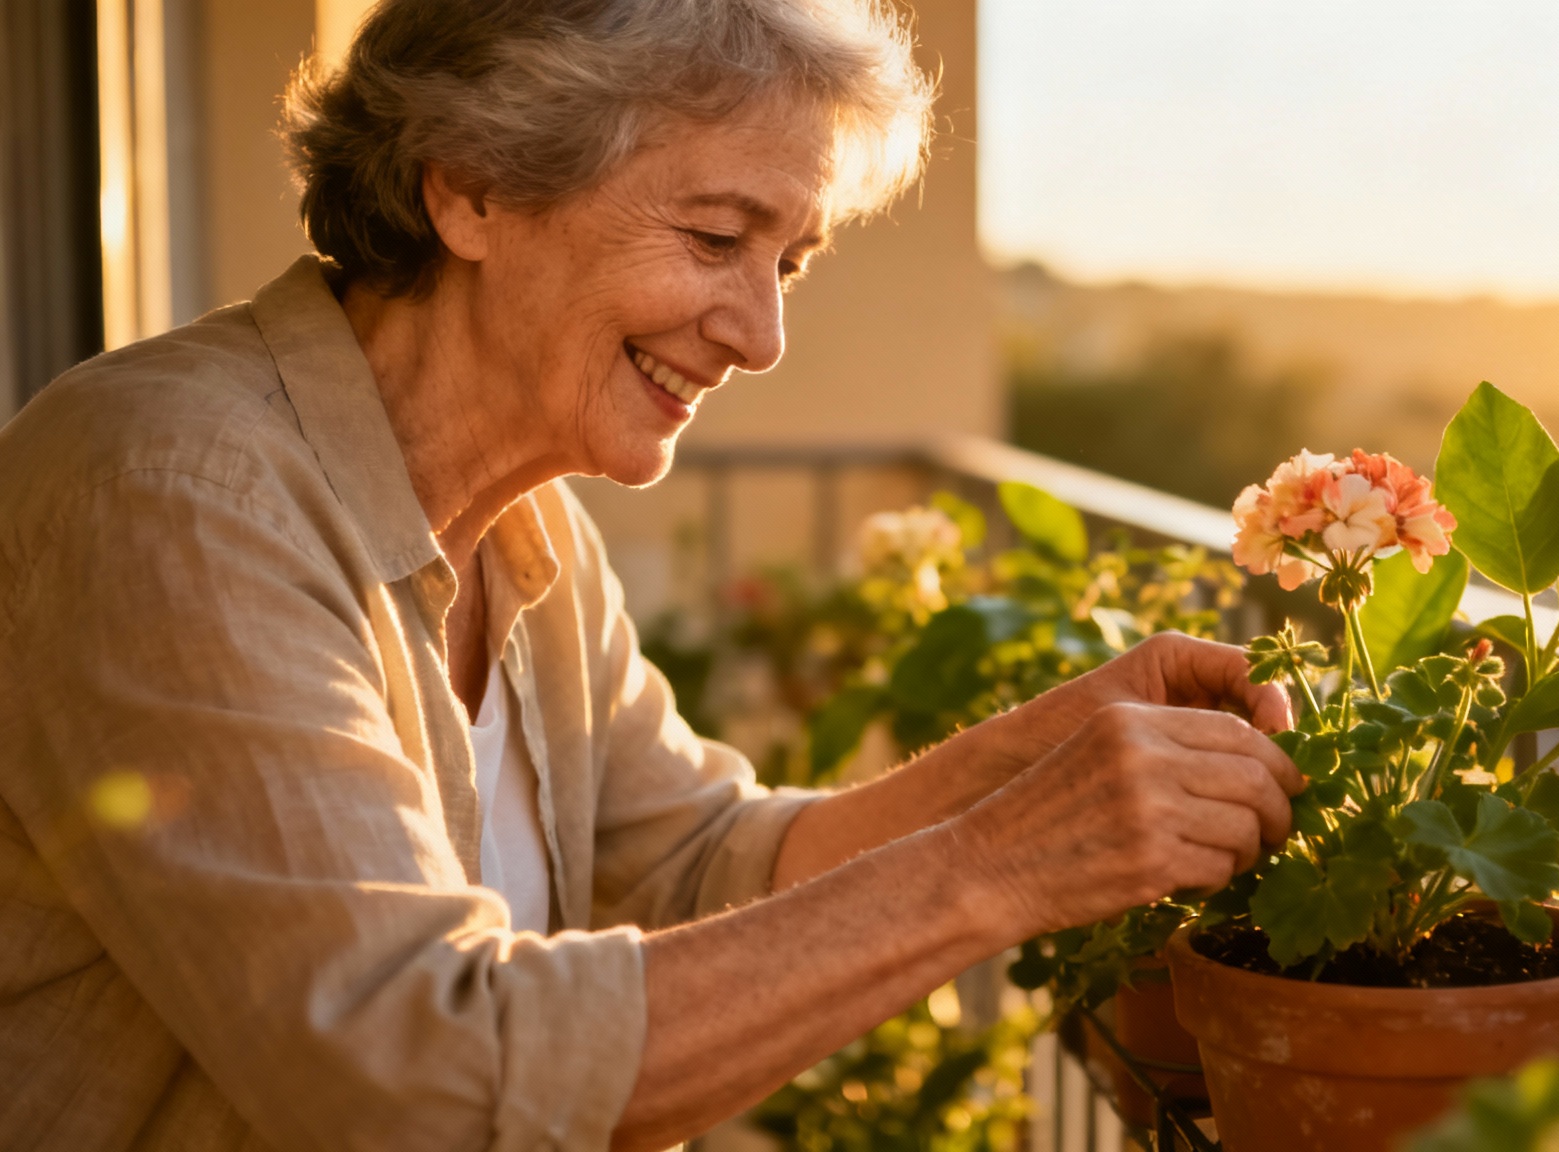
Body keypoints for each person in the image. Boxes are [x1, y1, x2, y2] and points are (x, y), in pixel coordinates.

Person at [0, 2, 1301, 1148]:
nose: (763, 335)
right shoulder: (173, 491)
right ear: (471, 189)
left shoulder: (530, 529)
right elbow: (415, 1083)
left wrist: (1026, 764)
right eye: (716, 236)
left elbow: (696, 861)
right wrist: (999, 866)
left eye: (788, 263)